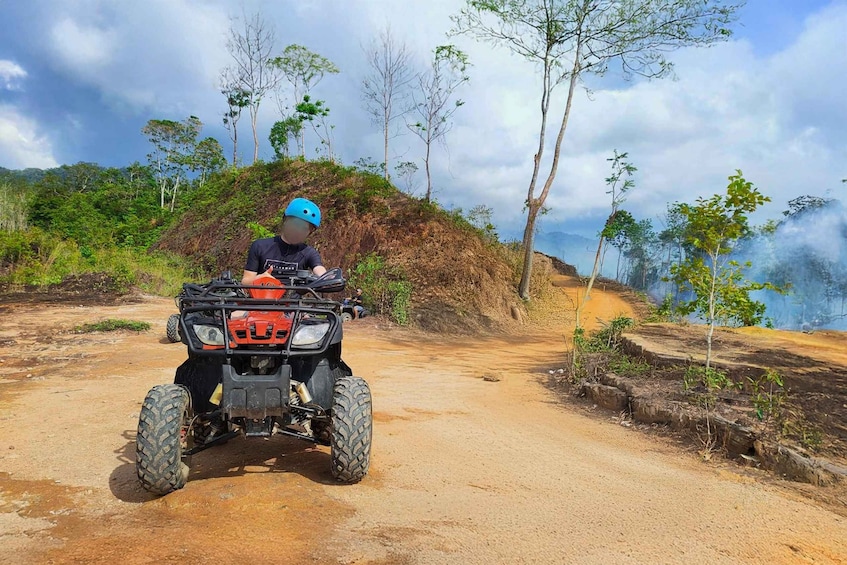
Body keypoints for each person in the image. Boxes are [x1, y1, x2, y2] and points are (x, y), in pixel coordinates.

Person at [241, 197, 327, 285]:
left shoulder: (309, 253)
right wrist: (259, 279)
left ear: (310, 232)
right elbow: (246, 281)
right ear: (285, 221)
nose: (297, 230)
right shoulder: (260, 246)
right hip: (262, 297)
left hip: (294, 298)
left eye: (304, 228)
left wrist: (327, 278)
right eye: (294, 224)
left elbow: (320, 270)